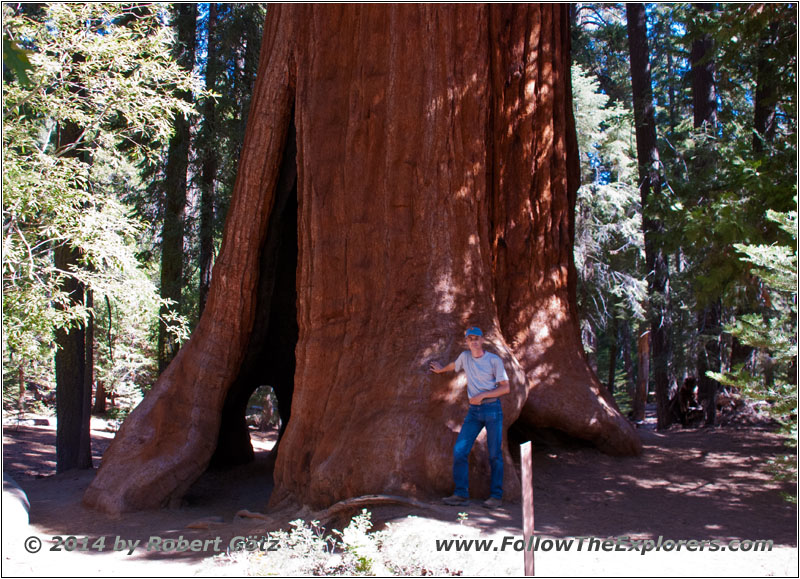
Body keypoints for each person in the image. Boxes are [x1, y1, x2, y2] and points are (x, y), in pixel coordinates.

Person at [429, 326, 510, 508]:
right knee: (460, 450)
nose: (473, 341)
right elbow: (454, 365)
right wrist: (441, 370)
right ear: (466, 341)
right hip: (474, 412)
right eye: (470, 338)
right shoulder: (465, 357)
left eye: (476, 338)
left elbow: (505, 387)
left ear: (482, 340)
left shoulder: (493, 360)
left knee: (495, 453)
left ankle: (496, 496)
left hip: (492, 410)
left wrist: (483, 395)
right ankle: (460, 494)